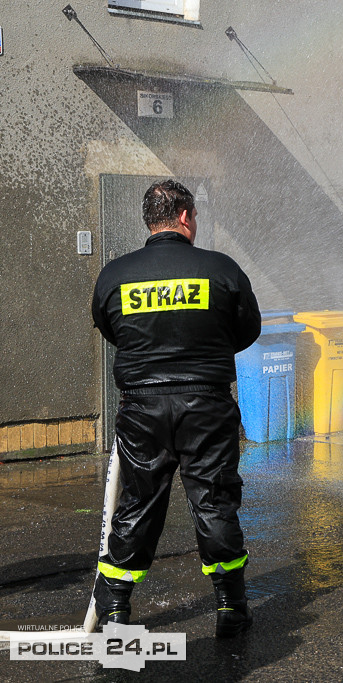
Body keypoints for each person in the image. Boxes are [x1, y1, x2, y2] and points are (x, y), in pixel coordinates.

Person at [90, 180, 261, 637]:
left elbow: (112, 328)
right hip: (207, 405)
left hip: (141, 408)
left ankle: (117, 611)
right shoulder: (220, 269)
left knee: (138, 503)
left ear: (151, 220)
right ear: (185, 217)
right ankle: (231, 606)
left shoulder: (115, 274)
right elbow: (247, 329)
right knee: (213, 500)